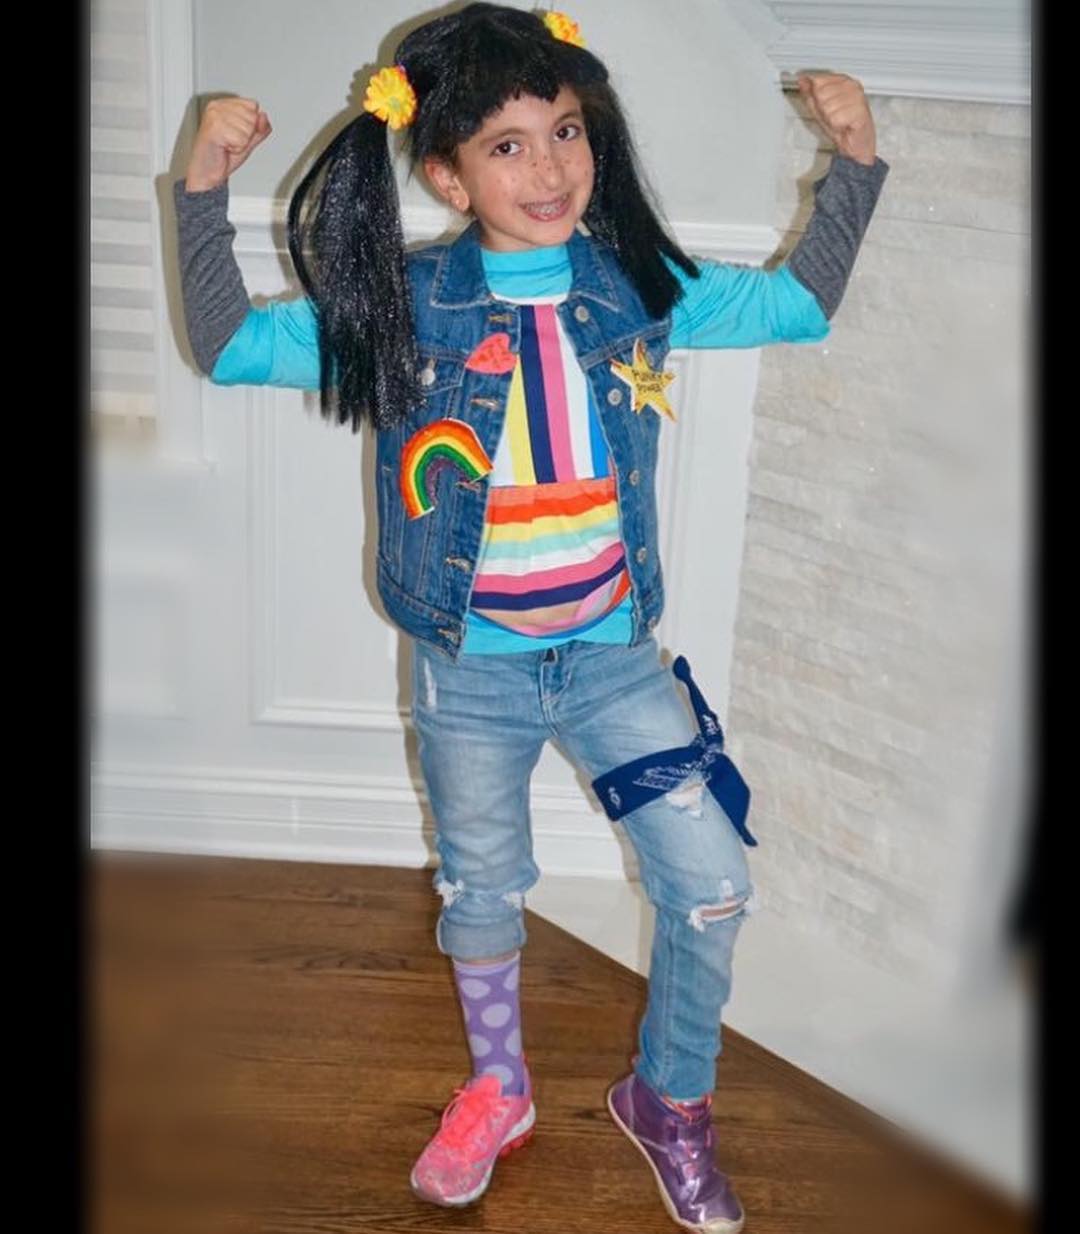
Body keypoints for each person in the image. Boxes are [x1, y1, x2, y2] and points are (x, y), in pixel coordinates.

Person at [173, 5, 888, 1229]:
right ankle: (498, 1087)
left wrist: (857, 162)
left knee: (713, 884)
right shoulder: (404, 303)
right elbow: (233, 344)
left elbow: (800, 307)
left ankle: (668, 1099)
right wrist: (201, 186)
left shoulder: (638, 287)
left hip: (615, 664)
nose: (549, 168)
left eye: (565, 130)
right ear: (447, 174)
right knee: (484, 889)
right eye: (506, 146)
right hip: (474, 676)